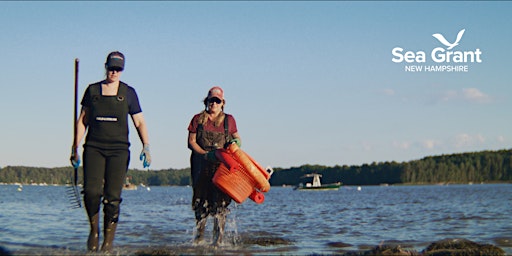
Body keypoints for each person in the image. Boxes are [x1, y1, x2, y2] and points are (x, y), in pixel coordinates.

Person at [70, 51, 151, 253]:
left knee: (112, 197)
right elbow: (82, 120)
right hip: (94, 148)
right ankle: (94, 231)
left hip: (119, 150)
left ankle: (108, 241)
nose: (114, 72)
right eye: (111, 67)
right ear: (105, 66)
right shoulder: (92, 90)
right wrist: (75, 146)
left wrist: (146, 145)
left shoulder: (128, 93)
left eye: (118, 69)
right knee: (91, 192)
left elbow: (139, 121)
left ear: (122, 70)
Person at [187, 86, 241, 245]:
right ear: (207, 101)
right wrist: (204, 154)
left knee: (221, 204)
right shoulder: (198, 119)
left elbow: (237, 138)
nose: (214, 104)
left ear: (222, 103)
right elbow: (191, 142)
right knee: (200, 203)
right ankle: (199, 239)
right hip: (201, 164)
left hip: (221, 166)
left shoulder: (229, 120)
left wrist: (235, 143)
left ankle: (218, 241)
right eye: (211, 100)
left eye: (217, 101)